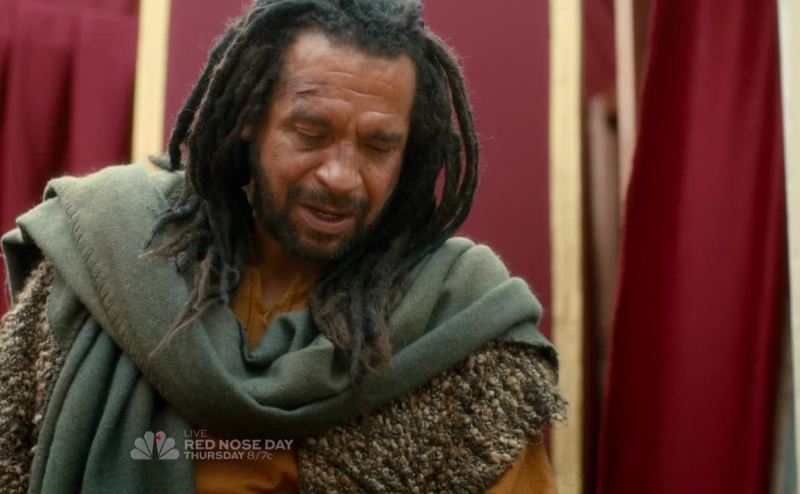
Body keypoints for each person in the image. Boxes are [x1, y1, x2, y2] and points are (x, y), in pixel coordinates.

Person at [0, 0, 565, 492]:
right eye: (311, 133)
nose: (341, 176)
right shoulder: (103, 256)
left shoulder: (459, 327)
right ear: (249, 116)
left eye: (377, 147)